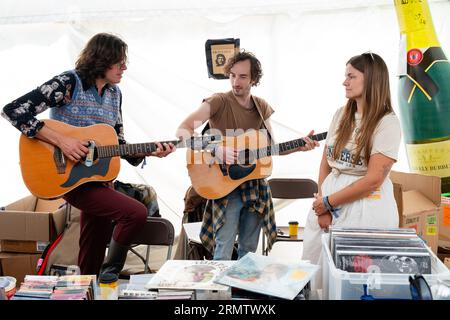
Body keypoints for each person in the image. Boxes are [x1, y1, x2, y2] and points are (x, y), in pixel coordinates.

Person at [1, 33, 175, 277]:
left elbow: (117, 142)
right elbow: (13, 111)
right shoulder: (67, 83)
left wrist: (150, 152)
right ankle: (110, 270)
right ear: (101, 59)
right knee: (135, 213)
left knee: (93, 244)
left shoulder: (115, 94)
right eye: (119, 61)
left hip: (100, 177)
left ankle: (88, 286)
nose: (124, 67)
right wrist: (63, 141)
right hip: (67, 176)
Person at [176, 50, 319, 260]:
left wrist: (299, 146)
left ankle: (242, 290)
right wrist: (215, 148)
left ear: (254, 79)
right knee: (223, 249)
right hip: (225, 186)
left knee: (249, 251)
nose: (236, 81)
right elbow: (182, 131)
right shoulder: (218, 102)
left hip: (255, 185)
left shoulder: (261, 107)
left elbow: (272, 147)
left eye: (243, 76)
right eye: (232, 75)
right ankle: (221, 292)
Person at [302, 52, 402, 271]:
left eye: (351, 76)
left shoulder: (387, 123)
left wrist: (328, 202)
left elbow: (373, 180)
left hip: (366, 208)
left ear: (372, 79)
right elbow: (325, 164)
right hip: (328, 202)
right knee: (316, 271)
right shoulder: (340, 115)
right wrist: (323, 206)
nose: (344, 82)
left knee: (357, 275)